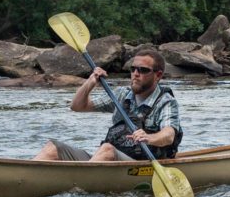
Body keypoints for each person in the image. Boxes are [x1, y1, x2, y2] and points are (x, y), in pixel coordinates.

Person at [33, 49, 182, 161]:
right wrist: (90, 82)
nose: (136, 74)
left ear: (158, 75)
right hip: (107, 159)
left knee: (107, 149)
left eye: (143, 70)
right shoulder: (122, 94)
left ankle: (75, 182)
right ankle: (25, 177)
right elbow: (77, 107)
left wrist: (149, 138)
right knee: (53, 148)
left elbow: (168, 135)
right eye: (133, 69)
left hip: (140, 163)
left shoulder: (166, 102)